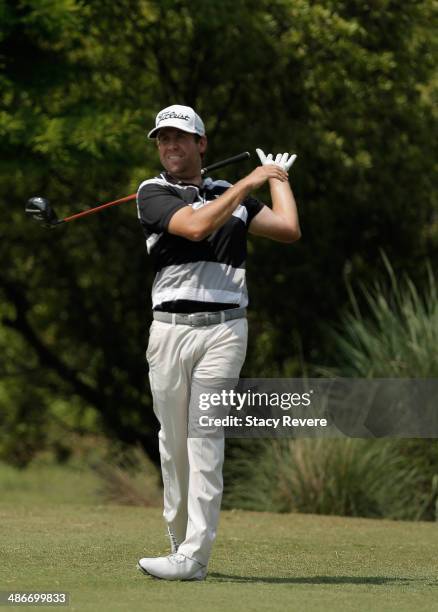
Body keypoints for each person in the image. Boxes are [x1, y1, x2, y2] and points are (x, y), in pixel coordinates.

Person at [136, 104, 301, 581]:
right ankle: (178, 541)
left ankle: (194, 556)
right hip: (169, 331)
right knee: (173, 442)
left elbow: (289, 230)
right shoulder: (152, 193)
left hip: (225, 330)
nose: (170, 146)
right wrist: (249, 183)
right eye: (163, 139)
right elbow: (194, 226)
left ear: (201, 144)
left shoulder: (230, 192)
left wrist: (277, 178)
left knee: (205, 440)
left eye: (180, 138)